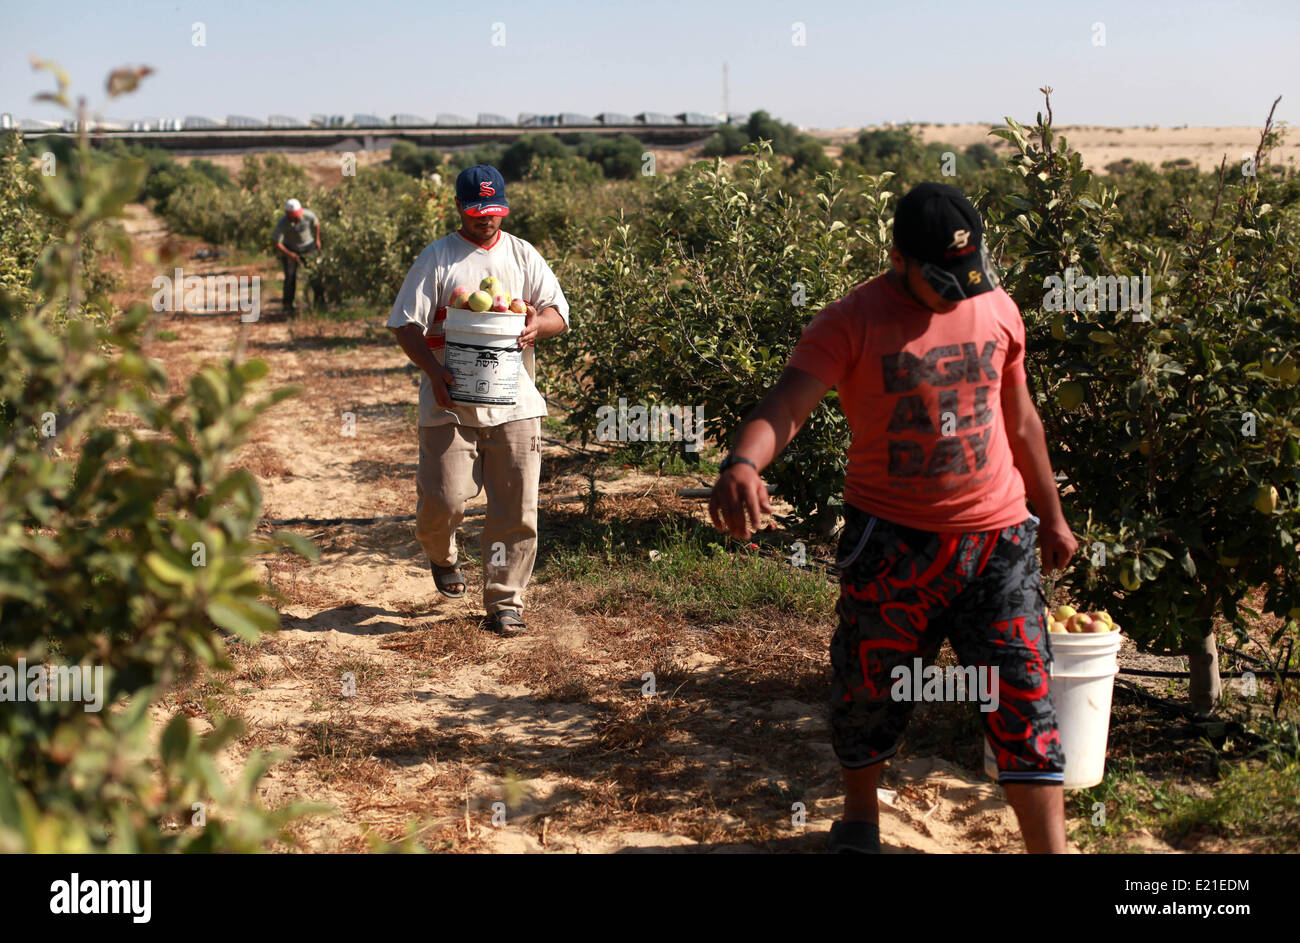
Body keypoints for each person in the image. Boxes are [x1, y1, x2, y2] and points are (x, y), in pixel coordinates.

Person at [709, 182, 1079, 854]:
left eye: (967, 277)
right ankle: (860, 818)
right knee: (868, 688)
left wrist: (1050, 515)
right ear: (897, 258)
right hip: (892, 541)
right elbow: (788, 404)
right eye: (941, 281)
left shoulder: (996, 306)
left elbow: (1022, 421)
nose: (957, 294)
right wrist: (743, 461)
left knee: (1024, 693)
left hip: (997, 540)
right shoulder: (848, 321)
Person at [387, 164, 569, 636]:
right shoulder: (439, 257)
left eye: (493, 212)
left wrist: (535, 325)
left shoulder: (523, 254)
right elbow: (405, 324)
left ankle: (506, 601)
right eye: (475, 212)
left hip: (515, 401)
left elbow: (558, 313)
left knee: (516, 508)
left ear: (503, 209)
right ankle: (441, 554)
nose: (484, 220)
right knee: (442, 502)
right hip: (449, 400)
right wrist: (434, 373)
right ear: (459, 209)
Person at [272, 197, 320, 316]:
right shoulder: (282, 223)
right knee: (290, 277)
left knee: (314, 275)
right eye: (293, 215)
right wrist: (290, 255)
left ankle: (319, 302)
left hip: (308, 247)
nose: (296, 217)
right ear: (287, 213)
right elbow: (277, 243)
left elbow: (316, 223)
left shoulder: (308, 215)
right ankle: (288, 305)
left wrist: (317, 240)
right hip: (290, 249)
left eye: (297, 214)